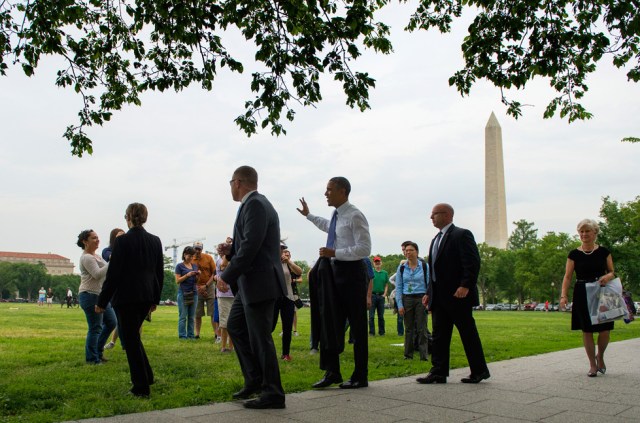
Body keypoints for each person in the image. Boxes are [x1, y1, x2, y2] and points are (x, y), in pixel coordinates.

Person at [216, 165, 287, 409]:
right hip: (253, 284)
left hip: (260, 283)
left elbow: (252, 246)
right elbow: (247, 243)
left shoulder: (255, 204)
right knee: (235, 326)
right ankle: (255, 380)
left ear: (237, 182)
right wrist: (231, 249)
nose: (230, 187)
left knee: (260, 338)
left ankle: (274, 393)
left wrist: (228, 273)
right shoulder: (253, 204)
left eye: (230, 182)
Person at [298, 176, 372, 390]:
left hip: (352, 274)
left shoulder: (356, 215)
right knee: (330, 323)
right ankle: (333, 372)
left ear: (343, 191)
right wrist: (309, 216)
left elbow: (365, 249)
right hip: (334, 273)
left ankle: (360, 375)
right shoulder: (337, 215)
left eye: (329, 190)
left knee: (357, 328)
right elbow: (328, 227)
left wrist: (335, 253)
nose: (326, 193)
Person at [96, 202, 164, 397]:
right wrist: (155, 299)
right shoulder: (155, 240)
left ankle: (141, 387)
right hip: (146, 295)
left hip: (126, 297)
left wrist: (102, 301)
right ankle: (147, 376)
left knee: (130, 339)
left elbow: (114, 274)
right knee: (133, 336)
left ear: (127, 217)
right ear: (145, 217)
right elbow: (158, 272)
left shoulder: (122, 242)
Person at [417, 203, 489, 384]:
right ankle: (438, 372)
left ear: (447, 215)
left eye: (434, 214)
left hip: (458, 297)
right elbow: (435, 271)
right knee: (439, 335)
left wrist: (465, 285)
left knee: (468, 334)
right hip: (439, 298)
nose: (431, 218)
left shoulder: (461, 235)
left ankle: (479, 371)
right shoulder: (436, 239)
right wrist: (428, 292)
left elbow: (471, 263)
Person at [560, 218, 615, 377]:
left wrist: (608, 276)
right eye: (581, 231)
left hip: (602, 291)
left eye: (587, 231)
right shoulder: (574, 254)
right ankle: (592, 364)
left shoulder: (604, 252)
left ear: (594, 233)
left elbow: (612, 271)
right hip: (582, 292)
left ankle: (601, 357)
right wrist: (564, 295)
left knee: (605, 330)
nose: (584, 234)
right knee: (587, 330)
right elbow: (567, 277)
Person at [77, 230, 117, 364]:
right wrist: (112, 261)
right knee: (95, 327)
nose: (97, 240)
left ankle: (98, 352)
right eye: (94, 238)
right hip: (89, 295)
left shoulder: (98, 256)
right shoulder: (86, 258)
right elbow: (97, 274)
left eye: (98, 237)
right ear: (85, 241)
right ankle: (92, 359)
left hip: (100, 295)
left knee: (111, 322)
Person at [395, 242, 429, 361]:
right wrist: (399, 304)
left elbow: (429, 284)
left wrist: (428, 299)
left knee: (422, 327)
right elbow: (398, 287)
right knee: (408, 328)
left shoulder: (424, 266)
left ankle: (423, 355)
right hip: (407, 298)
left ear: (417, 252)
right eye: (406, 251)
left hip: (421, 298)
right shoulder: (402, 268)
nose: (408, 252)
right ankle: (408, 354)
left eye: (411, 250)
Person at [273, 244, 303, 361]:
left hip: (288, 298)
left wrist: (289, 262)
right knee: (270, 326)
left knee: (287, 328)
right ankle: (265, 351)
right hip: (273, 297)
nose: (282, 251)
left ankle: (286, 354)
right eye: (280, 248)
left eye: (283, 249)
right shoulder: (270, 261)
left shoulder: (288, 263)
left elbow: (299, 272)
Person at [102, 228, 125, 350]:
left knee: (123, 319)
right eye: (119, 237)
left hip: (125, 287)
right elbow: (112, 258)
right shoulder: (107, 251)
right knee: (113, 319)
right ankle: (108, 343)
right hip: (112, 288)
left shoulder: (128, 250)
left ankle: (124, 344)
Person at [192, 241, 217, 340]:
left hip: (209, 286)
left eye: (199, 249)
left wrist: (206, 286)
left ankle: (216, 333)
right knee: (197, 313)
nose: (197, 250)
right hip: (197, 287)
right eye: (196, 248)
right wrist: (199, 287)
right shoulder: (191, 260)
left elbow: (214, 273)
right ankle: (197, 334)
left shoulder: (208, 258)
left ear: (202, 249)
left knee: (212, 312)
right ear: (193, 248)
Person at [175, 246, 199, 339]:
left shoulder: (194, 266)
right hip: (183, 293)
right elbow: (177, 281)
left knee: (192, 317)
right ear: (184, 255)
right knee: (183, 316)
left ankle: (191, 335)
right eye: (189, 256)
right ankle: (182, 336)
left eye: (192, 256)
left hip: (194, 293)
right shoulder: (179, 266)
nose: (191, 258)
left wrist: (197, 275)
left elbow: (196, 281)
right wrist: (187, 275)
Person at [216, 251, 234, 353]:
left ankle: (231, 347)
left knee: (233, 322)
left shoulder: (234, 260)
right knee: (224, 322)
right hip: (224, 295)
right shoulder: (220, 261)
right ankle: (223, 347)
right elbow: (224, 266)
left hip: (235, 294)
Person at [370, 256, 390, 336]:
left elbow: (386, 285)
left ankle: (382, 332)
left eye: (378, 261)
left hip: (381, 296)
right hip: (372, 295)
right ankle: (372, 332)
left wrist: (384, 294)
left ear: (381, 263)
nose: (377, 263)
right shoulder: (371, 271)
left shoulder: (385, 273)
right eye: (375, 262)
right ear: (373, 263)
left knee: (381, 316)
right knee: (371, 316)